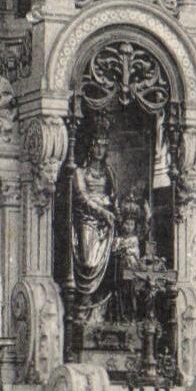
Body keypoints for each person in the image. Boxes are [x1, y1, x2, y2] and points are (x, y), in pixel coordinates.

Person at [71, 127, 119, 318]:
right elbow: (82, 196)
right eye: (96, 145)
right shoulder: (80, 172)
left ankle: (97, 312)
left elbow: (114, 196)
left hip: (106, 224)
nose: (100, 149)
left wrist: (114, 210)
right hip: (87, 220)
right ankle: (83, 306)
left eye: (103, 146)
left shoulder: (109, 172)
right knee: (88, 262)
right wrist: (101, 210)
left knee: (108, 267)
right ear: (90, 147)